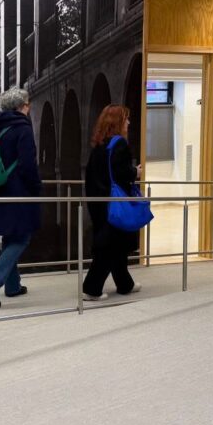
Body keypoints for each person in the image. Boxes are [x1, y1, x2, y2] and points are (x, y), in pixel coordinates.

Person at [0, 87, 41, 308]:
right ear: (21, 106)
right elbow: (27, 165)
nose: (29, 107)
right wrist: (36, 187)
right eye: (27, 104)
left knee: (10, 236)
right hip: (18, 191)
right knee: (22, 237)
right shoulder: (23, 128)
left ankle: (13, 286)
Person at [82, 104, 143, 301]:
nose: (129, 122)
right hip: (115, 203)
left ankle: (125, 284)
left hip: (100, 202)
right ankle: (91, 289)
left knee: (116, 244)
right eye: (126, 119)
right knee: (110, 245)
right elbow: (122, 173)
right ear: (118, 122)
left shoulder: (100, 144)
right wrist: (136, 172)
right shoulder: (120, 144)